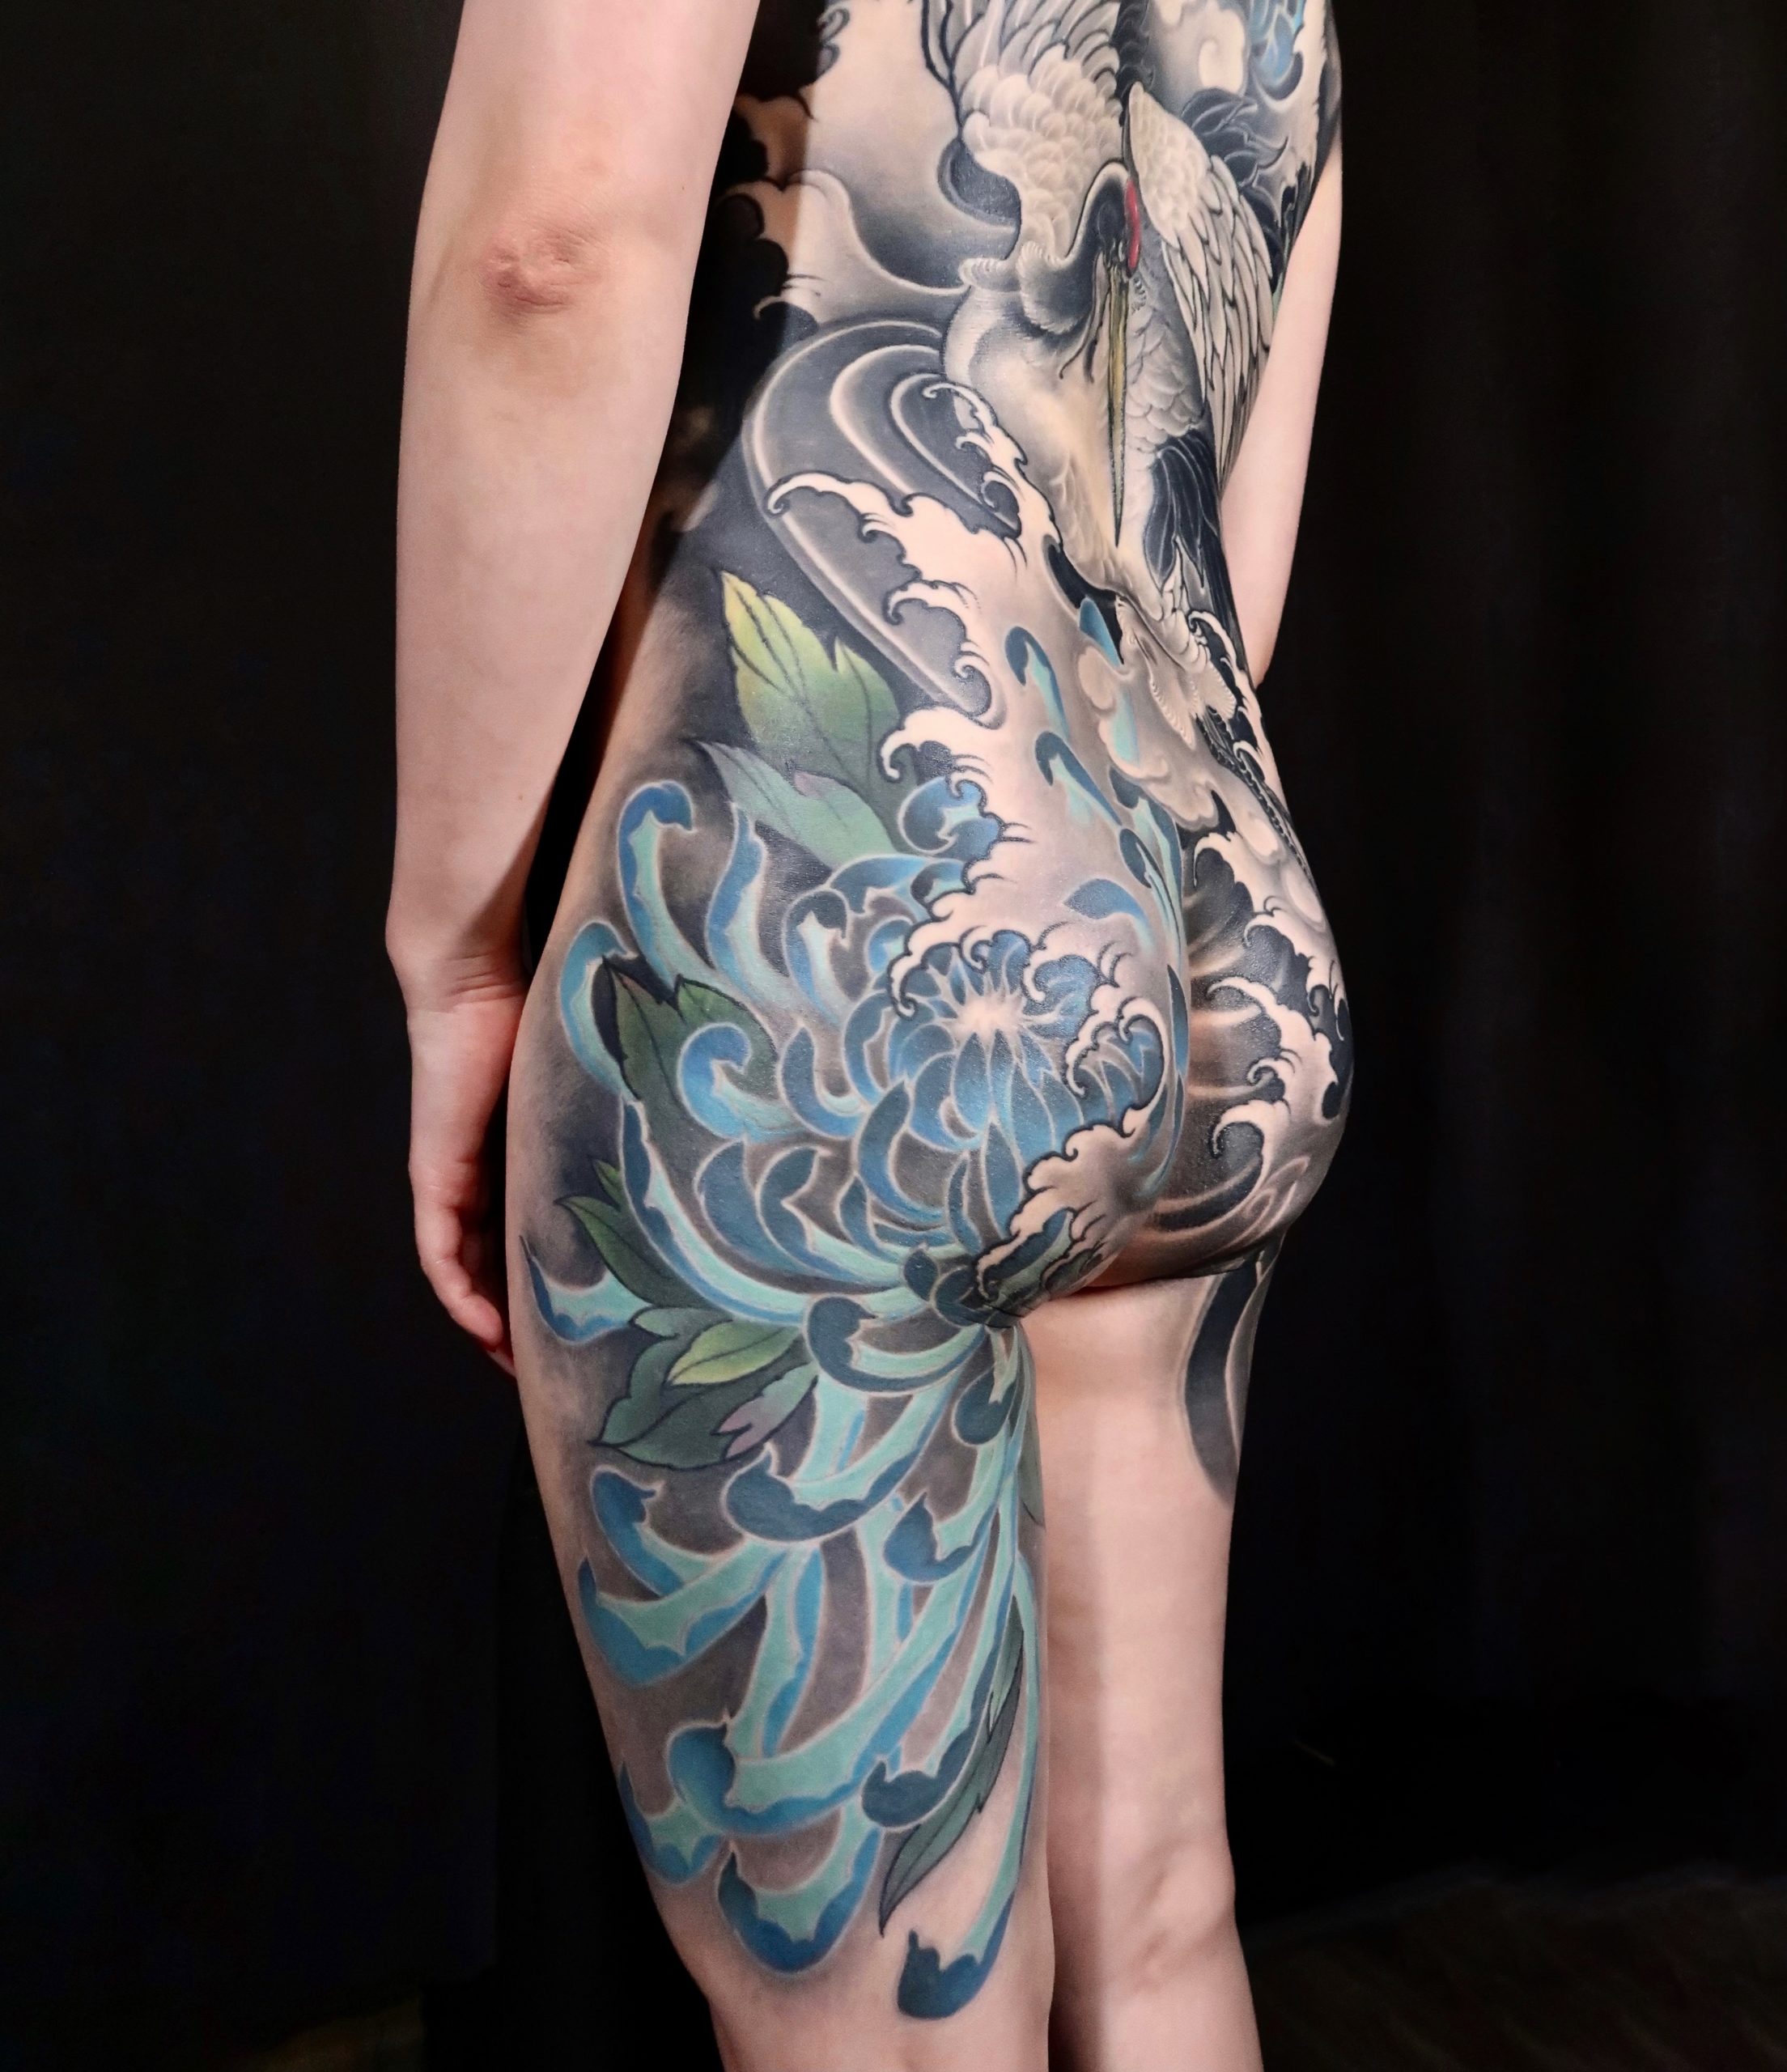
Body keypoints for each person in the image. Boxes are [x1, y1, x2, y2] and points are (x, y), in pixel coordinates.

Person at [387, 3, 1346, 2066]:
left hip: (855, 905)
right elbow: (1232, 447)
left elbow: (553, 246)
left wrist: (453, 948)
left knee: (887, 2027)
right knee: (1161, 1912)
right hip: (1214, 892)